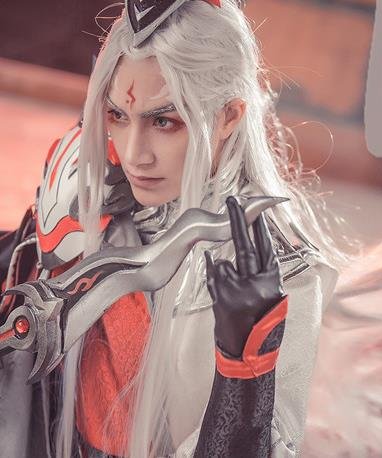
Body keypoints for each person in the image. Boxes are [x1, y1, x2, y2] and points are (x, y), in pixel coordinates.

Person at [0, 1, 340, 457]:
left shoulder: (281, 275)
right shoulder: (79, 203)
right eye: (118, 116)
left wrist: (244, 371)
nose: (135, 154)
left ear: (228, 117)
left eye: (164, 121)